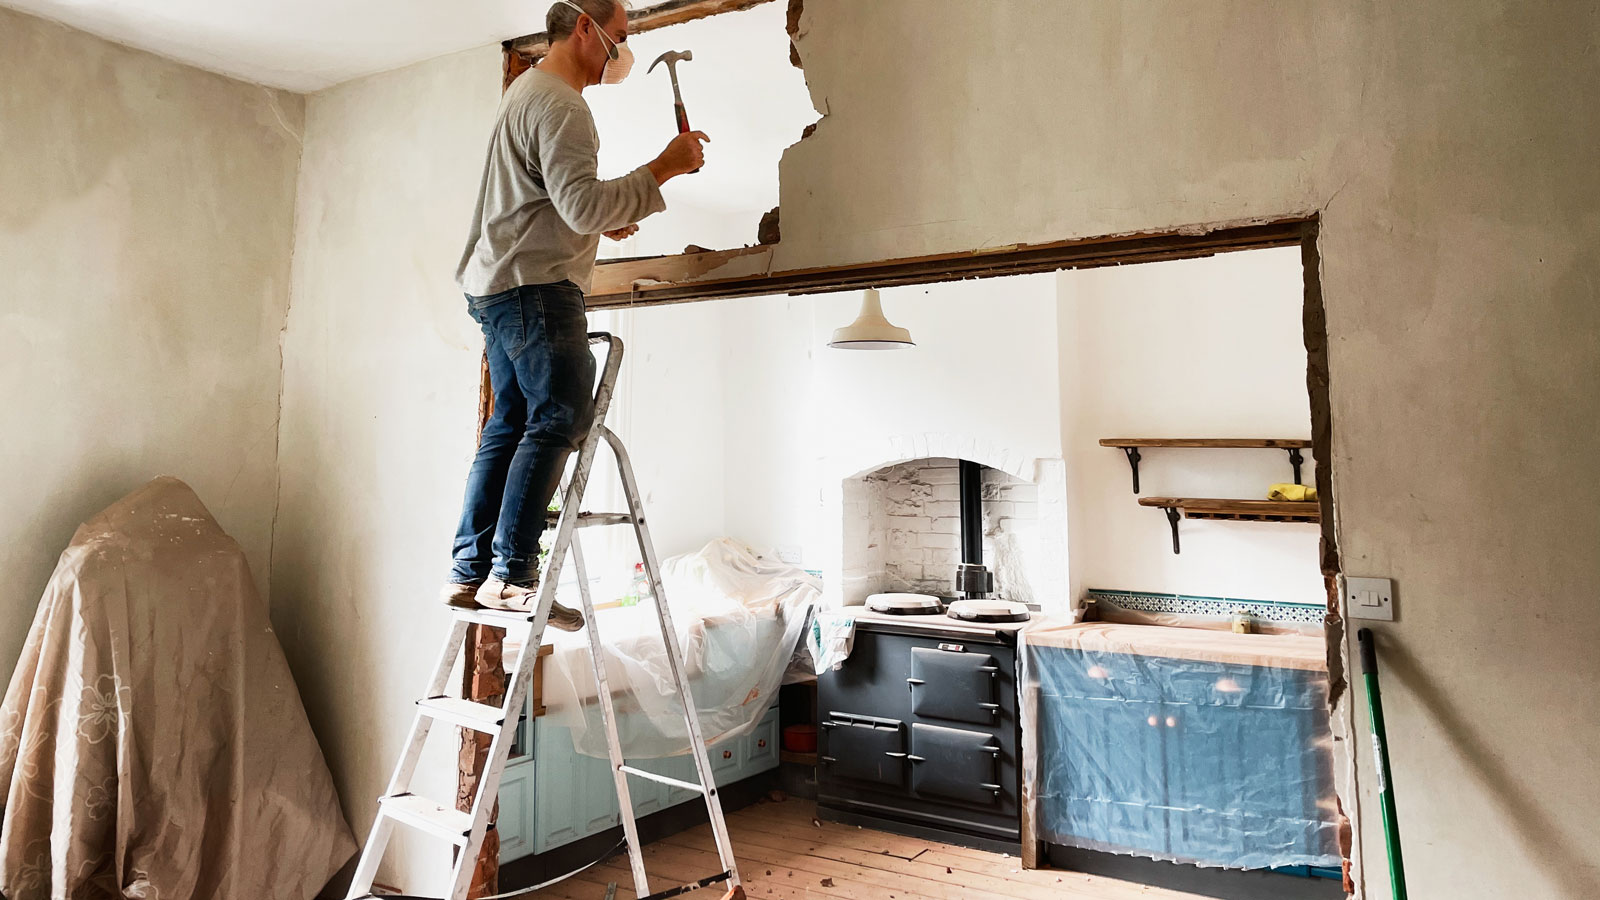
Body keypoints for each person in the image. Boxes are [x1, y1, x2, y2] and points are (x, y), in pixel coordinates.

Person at [443, 0, 708, 628]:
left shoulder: (527, 91)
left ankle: (469, 570)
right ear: (585, 28)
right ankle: (511, 576)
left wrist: (598, 217)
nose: (623, 51)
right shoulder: (564, 105)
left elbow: (561, 201)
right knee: (558, 415)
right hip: (535, 287)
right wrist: (664, 167)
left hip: (499, 284)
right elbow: (581, 206)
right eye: (619, 36)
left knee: (509, 424)